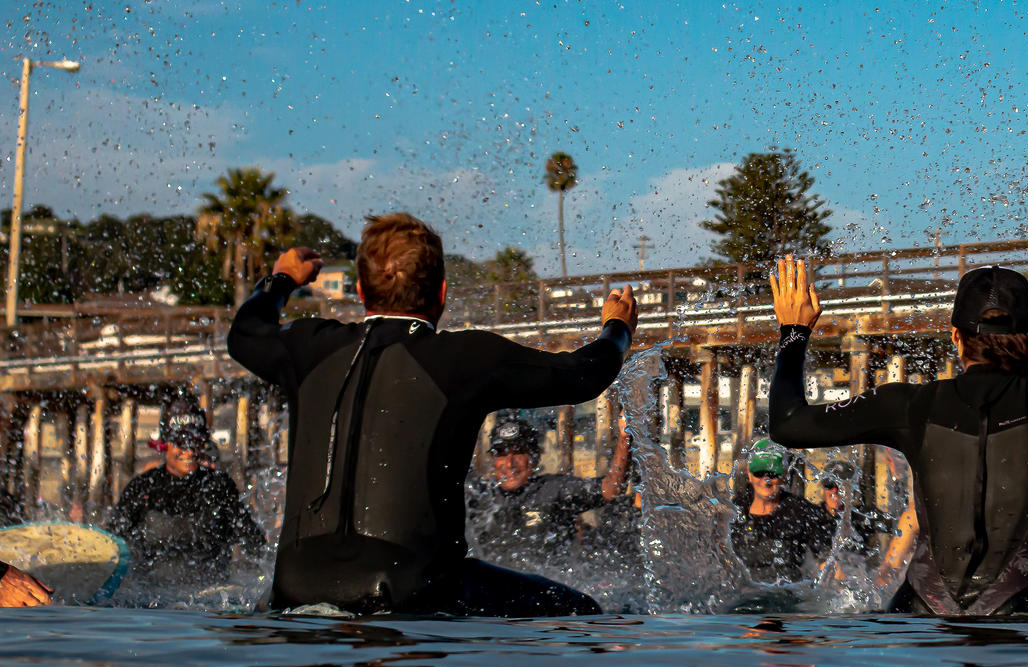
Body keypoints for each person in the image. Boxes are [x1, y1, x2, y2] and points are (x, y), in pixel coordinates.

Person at [767, 206, 1028, 616]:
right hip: (1021, 613)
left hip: (916, 619)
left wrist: (793, 331)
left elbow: (789, 424)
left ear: (956, 338)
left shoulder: (910, 406)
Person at [226, 213, 635, 616]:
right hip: (411, 591)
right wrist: (616, 328)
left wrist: (281, 280)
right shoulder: (462, 359)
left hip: (294, 587)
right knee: (584, 610)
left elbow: (244, 333)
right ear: (441, 293)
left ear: (361, 291)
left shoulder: (306, 347)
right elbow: (584, 375)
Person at [102, 399, 267, 587]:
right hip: (152, 596)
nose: (188, 452)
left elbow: (253, 541)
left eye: (194, 442)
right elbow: (113, 540)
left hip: (208, 598)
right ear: (165, 444)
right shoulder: (143, 487)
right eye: (180, 443)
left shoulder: (218, 486)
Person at [467, 412, 631, 568]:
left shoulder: (554, 490)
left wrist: (624, 437)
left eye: (518, 453)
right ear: (492, 460)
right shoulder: (481, 497)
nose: (509, 464)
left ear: (535, 457)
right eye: (502, 454)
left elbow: (612, 489)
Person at [730, 440, 835, 584]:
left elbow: (828, 562)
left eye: (773, 474)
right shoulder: (733, 510)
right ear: (749, 473)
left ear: (785, 474)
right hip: (742, 595)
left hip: (785, 596)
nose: (766, 480)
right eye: (759, 473)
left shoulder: (801, 512)